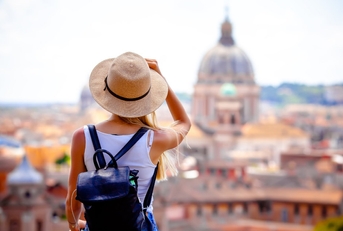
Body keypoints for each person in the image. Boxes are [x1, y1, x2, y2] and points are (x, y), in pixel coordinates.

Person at [65, 51, 191, 231]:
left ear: (106, 92)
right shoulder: (154, 139)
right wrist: (163, 82)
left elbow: (72, 199)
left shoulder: (82, 137)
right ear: (147, 95)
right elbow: (183, 123)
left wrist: (74, 225)